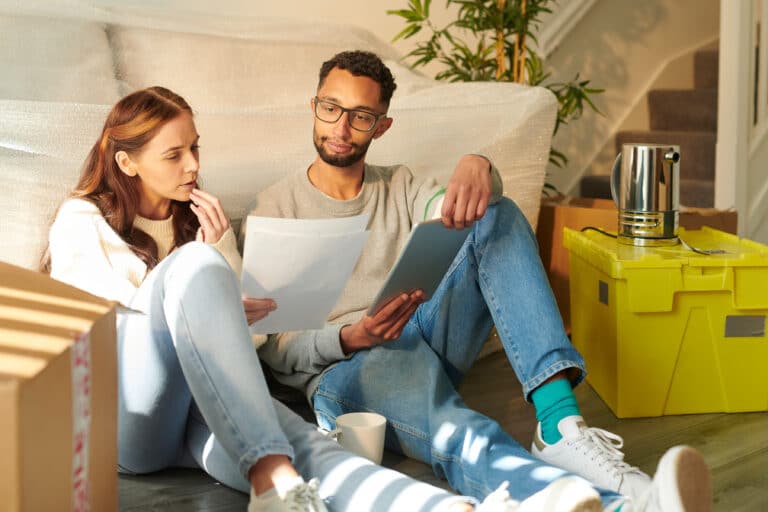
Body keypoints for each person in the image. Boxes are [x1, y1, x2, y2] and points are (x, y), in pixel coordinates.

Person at [41, 85, 612, 512]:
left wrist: (220, 252)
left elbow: (254, 343)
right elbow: (107, 334)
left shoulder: (204, 225)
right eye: (174, 155)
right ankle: (270, 479)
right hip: (129, 422)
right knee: (193, 274)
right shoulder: (80, 221)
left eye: (195, 148)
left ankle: (465, 504)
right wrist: (200, 275)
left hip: (206, 411)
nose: (193, 165)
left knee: (306, 458)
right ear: (126, 161)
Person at [246, 51, 713, 512]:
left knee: (498, 214)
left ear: (382, 125)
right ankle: (622, 507)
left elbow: (463, 212)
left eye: (361, 116)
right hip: (346, 367)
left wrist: (481, 166)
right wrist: (351, 337)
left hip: (424, 335)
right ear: (314, 107)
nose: (341, 128)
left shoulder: (400, 184)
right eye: (331, 109)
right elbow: (275, 347)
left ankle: (559, 425)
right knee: (463, 432)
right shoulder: (275, 206)